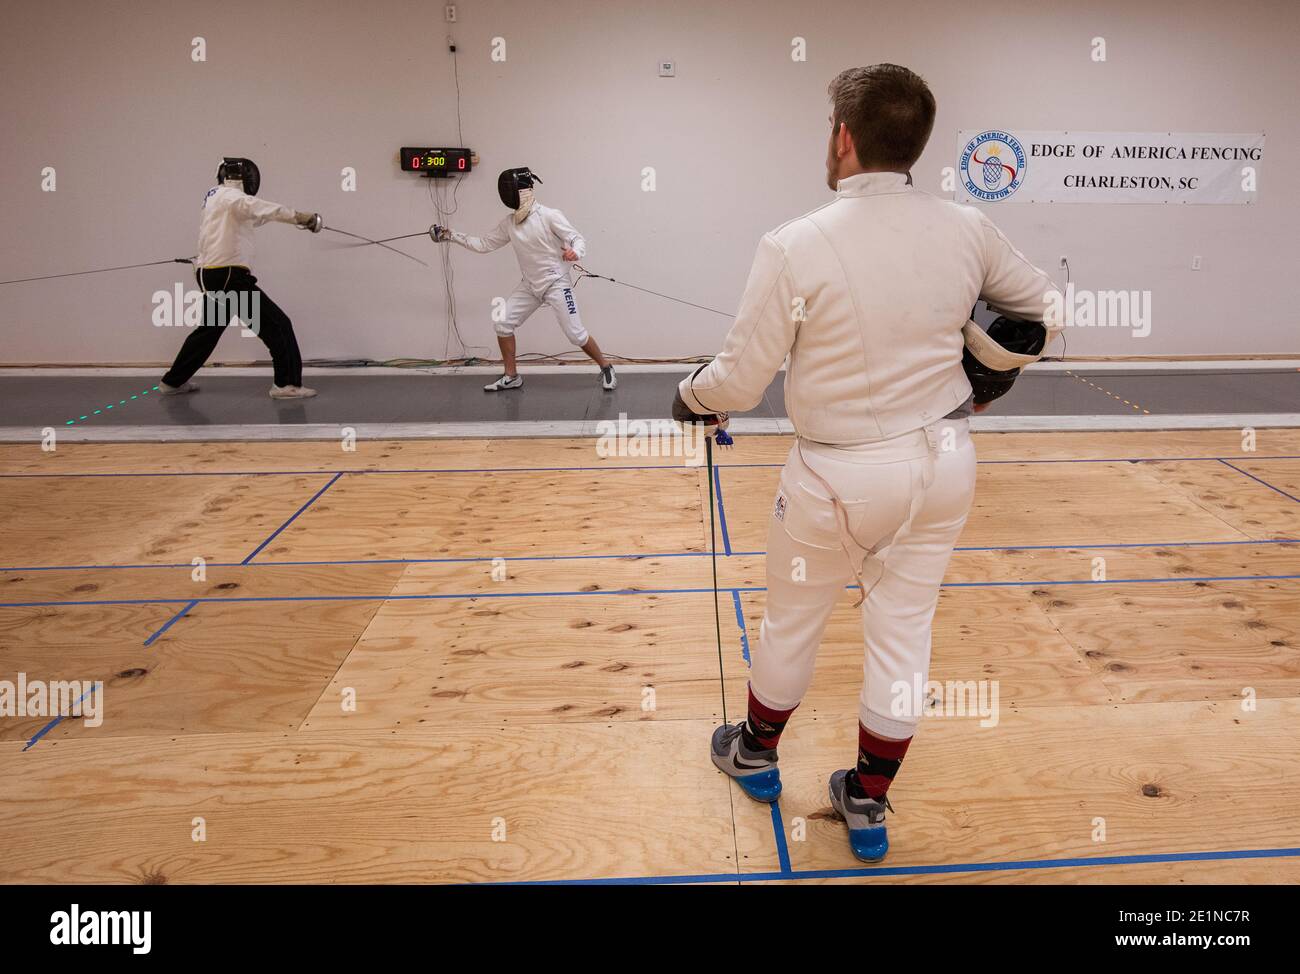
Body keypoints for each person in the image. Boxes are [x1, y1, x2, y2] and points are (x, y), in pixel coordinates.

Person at [673, 65, 1062, 863]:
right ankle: (867, 800)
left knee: (792, 619)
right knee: (903, 634)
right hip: (946, 463)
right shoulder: (967, 228)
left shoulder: (796, 242)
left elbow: (740, 379)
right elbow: (1047, 310)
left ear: (844, 138)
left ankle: (753, 753)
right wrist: (984, 379)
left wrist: (689, 398)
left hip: (838, 476)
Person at [430, 167, 616, 392]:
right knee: (502, 323)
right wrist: (450, 235)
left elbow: (577, 238)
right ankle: (511, 376)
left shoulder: (549, 215)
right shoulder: (510, 223)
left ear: (524, 190)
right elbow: (483, 244)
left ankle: (606, 367)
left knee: (575, 334)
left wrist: (576, 251)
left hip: (556, 283)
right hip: (530, 286)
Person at [161, 157, 321, 399]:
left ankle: (172, 382)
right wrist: (300, 217)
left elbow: (256, 215)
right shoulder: (231, 197)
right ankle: (286, 385)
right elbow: (261, 208)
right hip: (229, 277)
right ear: (241, 176)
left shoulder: (216, 197)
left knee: (209, 330)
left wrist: (298, 222)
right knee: (277, 325)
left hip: (211, 275)